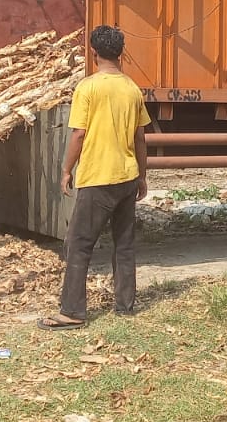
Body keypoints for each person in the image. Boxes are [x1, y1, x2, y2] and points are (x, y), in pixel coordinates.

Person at [39, 25, 151, 330]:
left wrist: (66, 170)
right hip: (127, 176)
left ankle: (72, 312)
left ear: (93, 53)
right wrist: (142, 176)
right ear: (121, 54)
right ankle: (125, 305)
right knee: (124, 243)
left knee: (78, 244)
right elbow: (140, 138)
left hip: (98, 178)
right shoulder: (132, 89)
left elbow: (79, 134)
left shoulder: (88, 88)